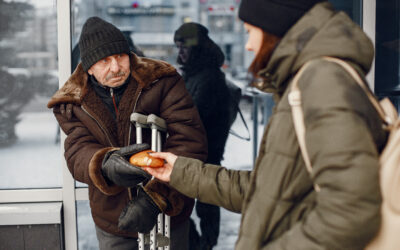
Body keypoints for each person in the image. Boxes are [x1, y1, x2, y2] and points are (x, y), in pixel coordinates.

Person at [145, 1, 388, 249]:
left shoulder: (321, 82)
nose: (249, 45)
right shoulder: (306, 82)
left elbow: (350, 212)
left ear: (275, 28)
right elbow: (266, 188)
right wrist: (180, 172)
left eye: (251, 31)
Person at [47, 16, 207, 250]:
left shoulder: (162, 81)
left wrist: (157, 198)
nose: (116, 67)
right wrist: (104, 164)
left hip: (168, 214)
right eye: (104, 61)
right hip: (114, 220)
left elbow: (190, 142)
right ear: (89, 67)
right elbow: (77, 151)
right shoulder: (74, 102)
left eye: (120, 56)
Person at [173, 22, 231, 250]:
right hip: (199, 150)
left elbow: (192, 116)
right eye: (178, 47)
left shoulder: (208, 77)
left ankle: (204, 246)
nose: (180, 53)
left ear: (197, 49)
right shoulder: (195, 74)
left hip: (207, 151)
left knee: (205, 205)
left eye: (184, 47)